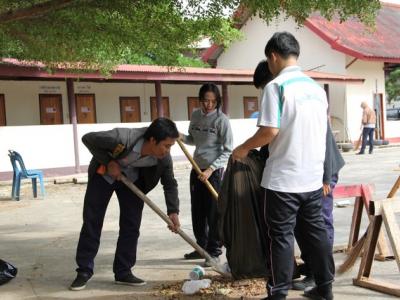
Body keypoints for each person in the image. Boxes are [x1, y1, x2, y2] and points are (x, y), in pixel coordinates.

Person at [232, 32, 334, 300]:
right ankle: (325, 289)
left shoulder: (275, 87)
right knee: (316, 235)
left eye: (269, 61)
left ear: (273, 57)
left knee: (280, 237)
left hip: (282, 182)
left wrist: (243, 148)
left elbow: (269, 131)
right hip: (312, 180)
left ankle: (277, 293)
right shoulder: (316, 89)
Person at [70, 118, 181, 291]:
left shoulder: (163, 158)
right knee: (92, 221)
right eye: (166, 146)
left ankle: (123, 271)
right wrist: (109, 162)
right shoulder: (121, 137)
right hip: (103, 176)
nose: (167, 151)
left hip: (132, 180)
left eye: (170, 147)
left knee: (131, 225)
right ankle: (84, 271)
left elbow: (170, 183)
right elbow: (87, 138)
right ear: (152, 140)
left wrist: (173, 211)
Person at [180, 83, 233, 267]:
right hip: (196, 169)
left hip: (214, 172)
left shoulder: (222, 120)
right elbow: (193, 139)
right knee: (198, 211)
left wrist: (211, 170)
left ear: (217, 101)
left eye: (213, 101)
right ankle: (201, 246)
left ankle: (214, 251)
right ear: (200, 100)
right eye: (205, 101)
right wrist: (180, 137)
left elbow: (228, 150)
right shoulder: (195, 115)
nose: (209, 105)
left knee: (213, 213)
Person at [293, 121, 345, 290]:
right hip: (307, 172)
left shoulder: (312, 106)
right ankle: (311, 266)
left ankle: (321, 276)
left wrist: (326, 178)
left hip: (324, 171)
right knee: (301, 223)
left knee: (319, 224)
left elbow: (326, 145)